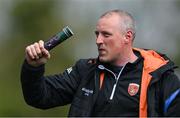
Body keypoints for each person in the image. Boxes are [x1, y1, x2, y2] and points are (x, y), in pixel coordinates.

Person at [21, 9, 180, 117]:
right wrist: (33, 67)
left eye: (106, 35)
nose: (98, 41)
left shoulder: (161, 77)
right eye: (97, 34)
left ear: (127, 36)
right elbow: (40, 97)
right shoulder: (85, 71)